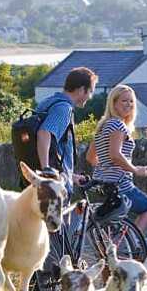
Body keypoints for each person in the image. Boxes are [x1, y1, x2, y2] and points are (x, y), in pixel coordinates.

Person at [86, 84, 147, 235]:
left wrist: (106, 169)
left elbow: (90, 157)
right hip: (120, 184)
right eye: (124, 101)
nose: (128, 104)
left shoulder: (103, 125)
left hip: (102, 183)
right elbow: (115, 155)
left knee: (113, 223)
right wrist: (135, 170)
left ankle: (119, 244)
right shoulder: (118, 125)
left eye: (131, 101)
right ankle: (134, 244)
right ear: (114, 103)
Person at [35, 66, 98, 195]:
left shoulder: (49, 102)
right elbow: (44, 133)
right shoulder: (64, 109)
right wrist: (46, 172)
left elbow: (55, 150)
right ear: (81, 89)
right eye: (90, 91)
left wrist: (72, 177)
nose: (90, 96)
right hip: (55, 189)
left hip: (48, 181)